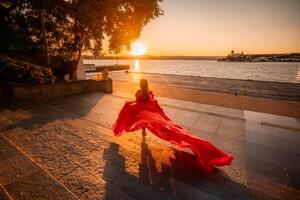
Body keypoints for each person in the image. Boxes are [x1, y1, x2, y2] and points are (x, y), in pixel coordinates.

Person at [113, 79, 233, 172]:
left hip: (145, 116)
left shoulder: (138, 92)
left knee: (137, 116)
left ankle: (143, 130)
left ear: (140, 84)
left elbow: (139, 102)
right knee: (177, 131)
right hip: (150, 116)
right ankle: (144, 129)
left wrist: (131, 104)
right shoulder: (149, 93)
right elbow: (152, 103)